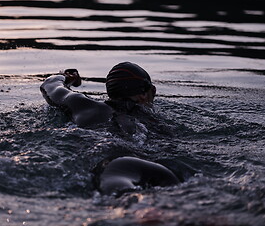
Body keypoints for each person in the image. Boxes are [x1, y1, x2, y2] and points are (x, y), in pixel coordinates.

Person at [40, 62, 181, 195]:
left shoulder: (84, 106)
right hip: (158, 170)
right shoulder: (157, 124)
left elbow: (51, 84)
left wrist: (69, 76)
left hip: (112, 167)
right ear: (145, 93)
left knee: (124, 198)